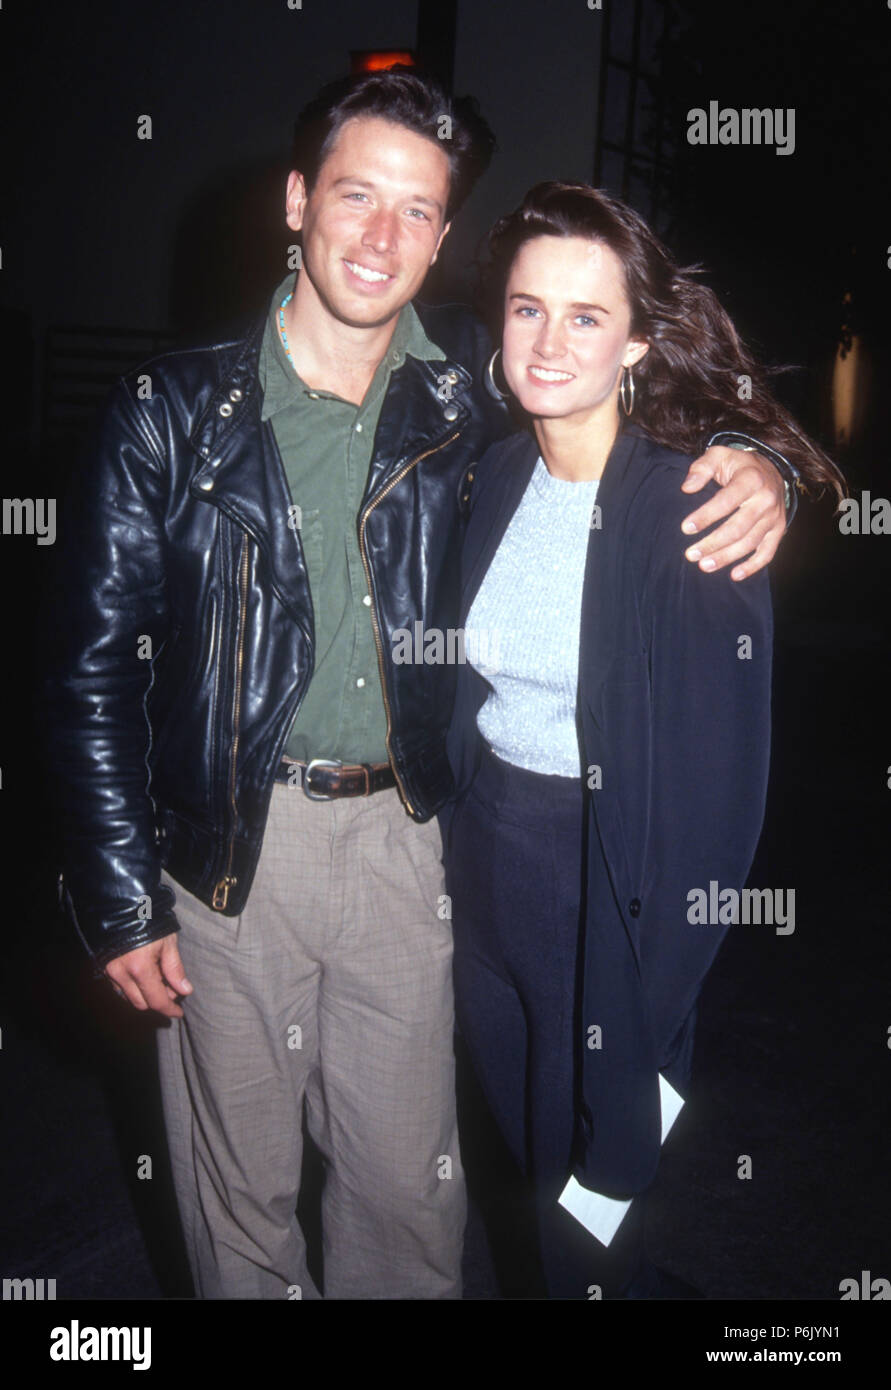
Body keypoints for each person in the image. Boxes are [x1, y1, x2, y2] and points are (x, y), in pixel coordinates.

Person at [44, 69, 793, 1302]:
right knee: (239, 1207)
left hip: (409, 841)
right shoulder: (166, 411)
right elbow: (86, 670)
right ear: (296, 202)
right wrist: (119, 896)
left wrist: (757, 459)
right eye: (355, 196)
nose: (382, 236)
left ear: (443, 237)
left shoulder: (464, 391)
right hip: (228, 850)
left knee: (409, 1199)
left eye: (417, 211)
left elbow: (617, 388)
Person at [441, 181, 845, 1300]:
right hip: (486, 875)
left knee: (596, 1220)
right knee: (527, 1186)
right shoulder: (496, 472)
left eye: (585, 316)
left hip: (608, 895)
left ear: (633, 342)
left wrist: (652, 988)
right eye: (528, 309)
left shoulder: (694, 510)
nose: (550, 340)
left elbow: (722, 806)